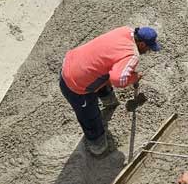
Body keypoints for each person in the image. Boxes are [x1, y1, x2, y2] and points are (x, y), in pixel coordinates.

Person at [59, 26, 161, 155]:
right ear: (141, 44)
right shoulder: (132, 54)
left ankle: (110, 102)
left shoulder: (125, 30)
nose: (148, 51)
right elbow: (118, 80)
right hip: (75, 83)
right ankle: (97, 145)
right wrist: (133, 77)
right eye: (148, 48)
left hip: (75, 60)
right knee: (90, 116)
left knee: (105, 71)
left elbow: (111, 61)